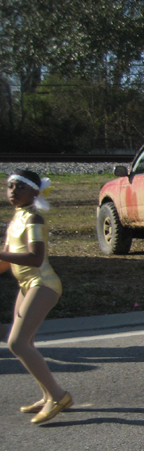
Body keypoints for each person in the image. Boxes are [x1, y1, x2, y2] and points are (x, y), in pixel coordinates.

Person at [1, 170, 73, 425]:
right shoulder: (17, 218)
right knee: (24, 343)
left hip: (42, 284)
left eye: (19, 187)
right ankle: (47, 394)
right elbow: (6, 260)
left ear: (35, 191)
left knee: (17, 344)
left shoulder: (35, 219)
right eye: (9, 186)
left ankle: (58, 396)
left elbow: (35, 258)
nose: (12, 191)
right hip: (27, 285)